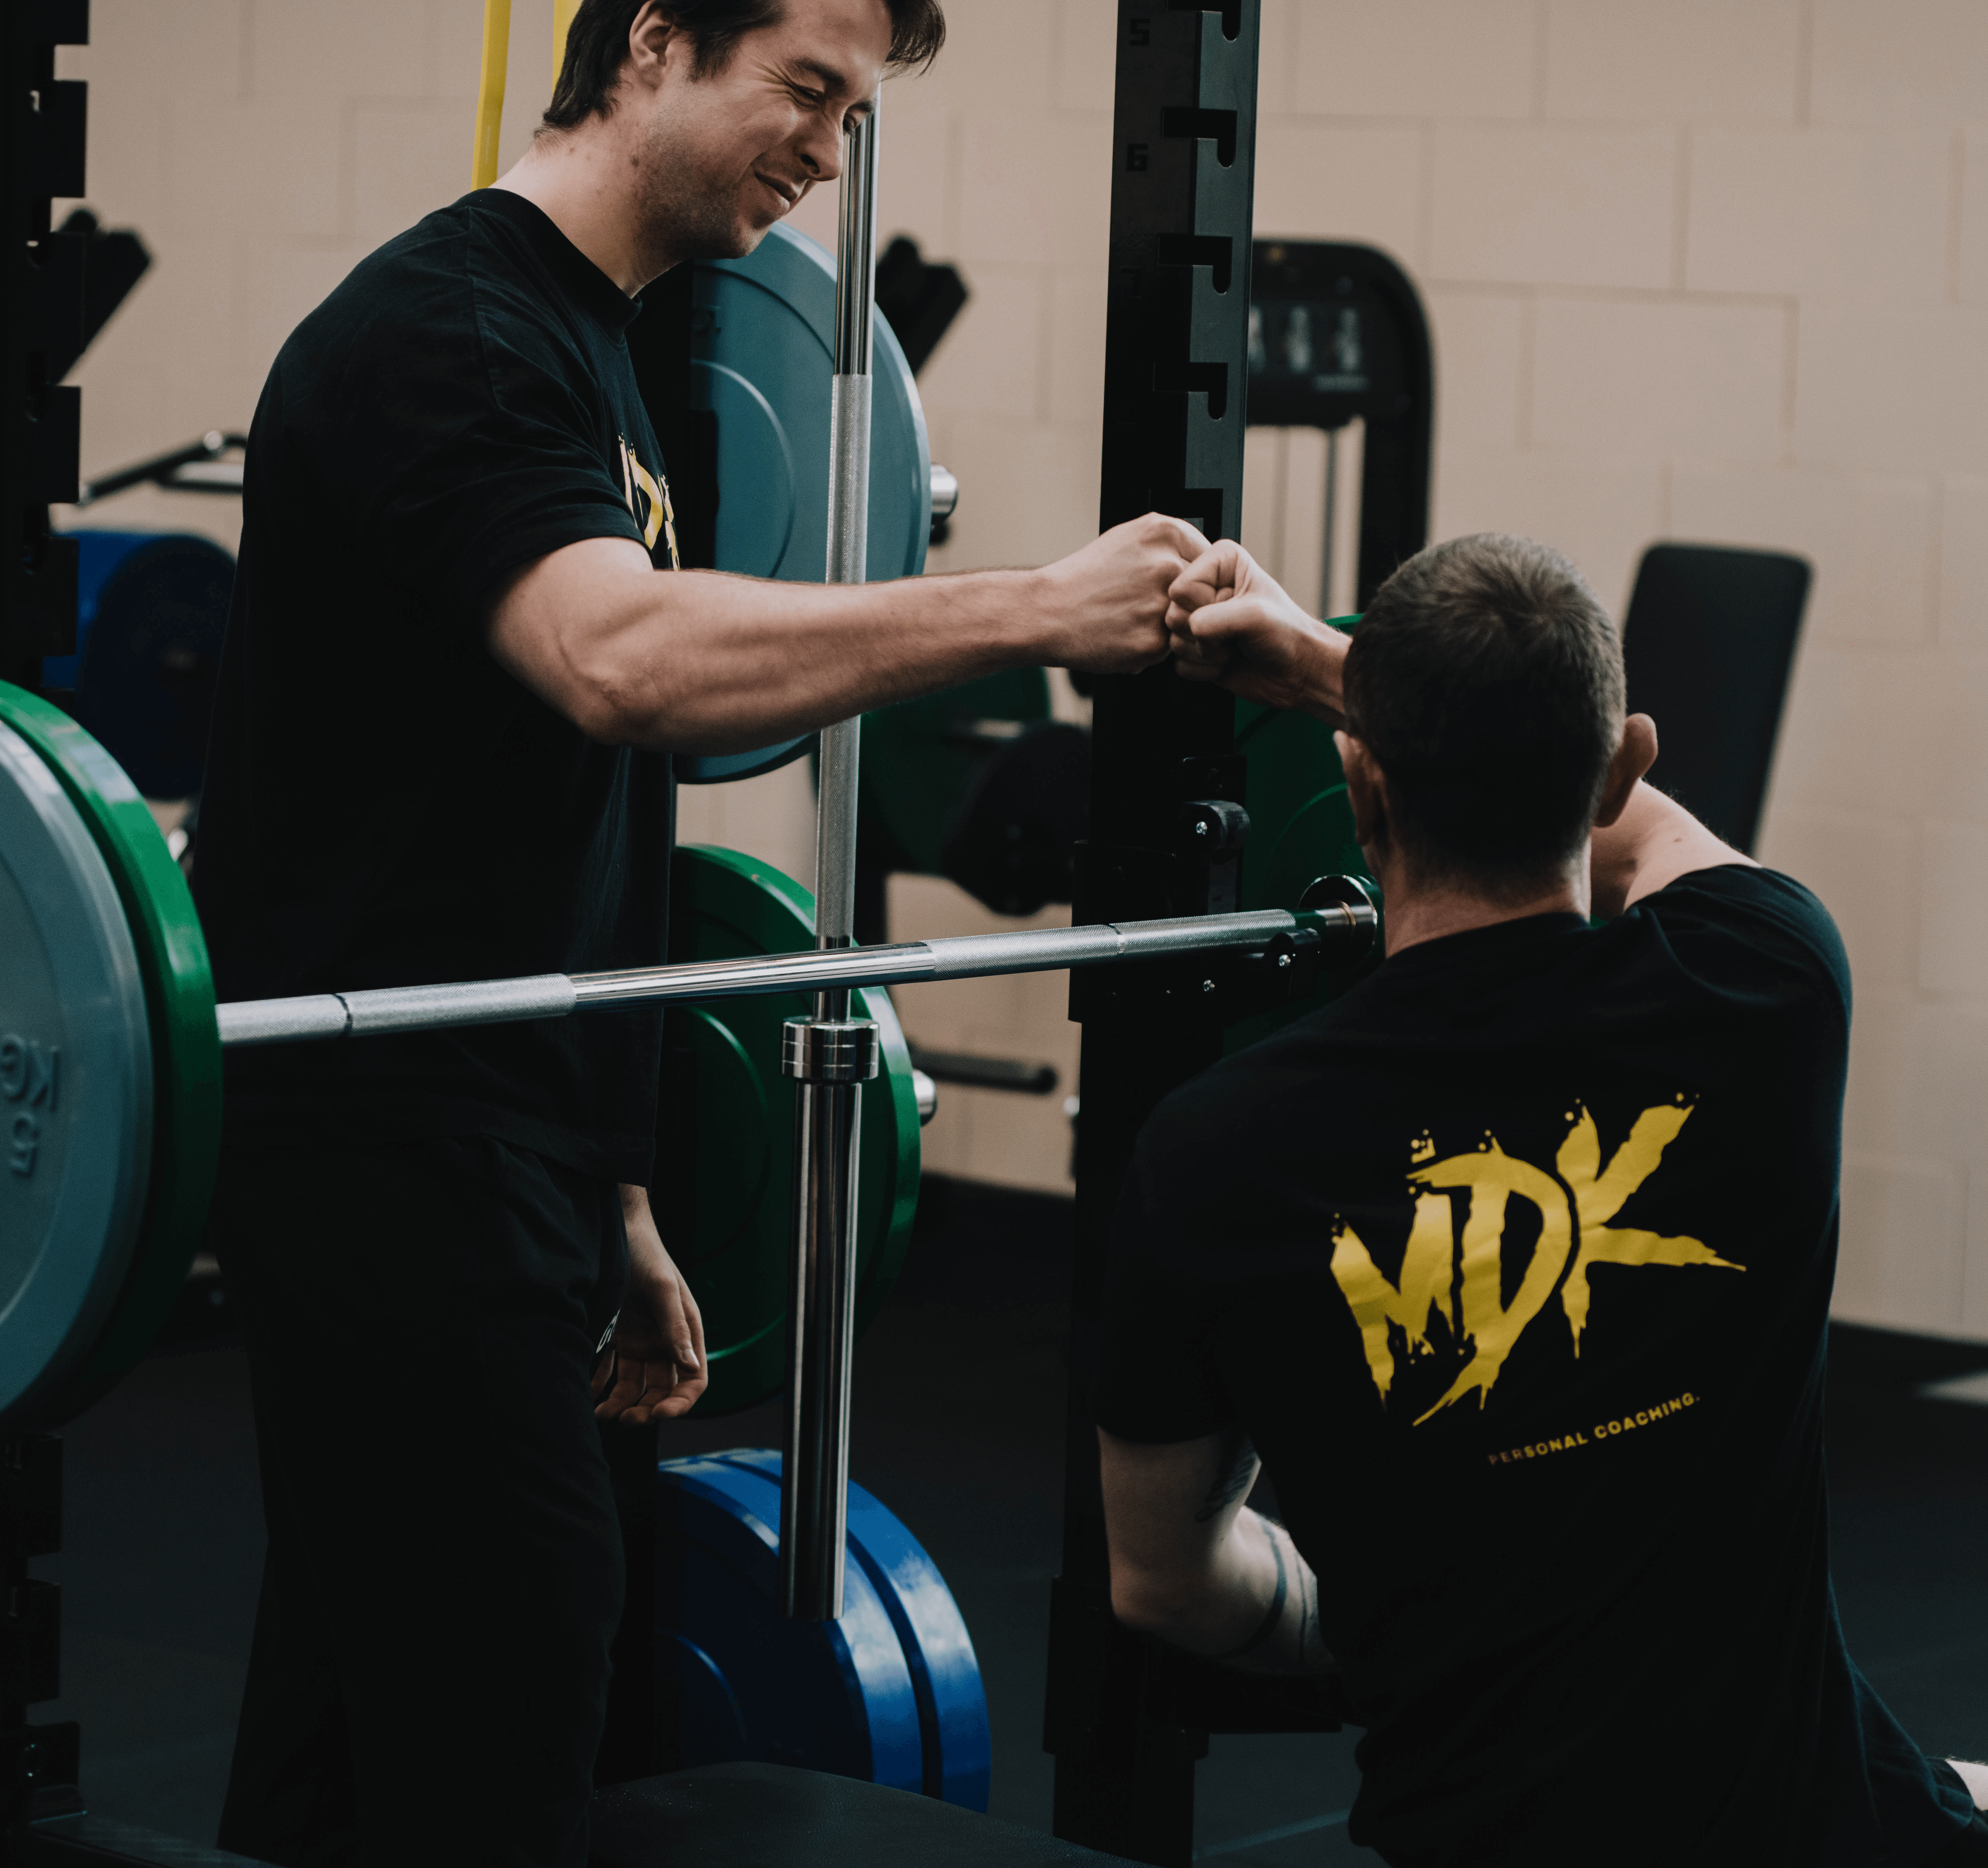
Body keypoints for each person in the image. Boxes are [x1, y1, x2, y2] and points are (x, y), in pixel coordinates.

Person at [193, 1, 1205, 1862]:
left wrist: (624, 1189)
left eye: (849, 108)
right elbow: (621, 667)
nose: (828, 149)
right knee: (508, 1705)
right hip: (387, 1156)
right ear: (654, 41)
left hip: (504, 1146)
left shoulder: (617, 343)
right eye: (806, 91)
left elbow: (574, 833)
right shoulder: (458, 330)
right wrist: (1033, 609)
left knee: (354, 1714)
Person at [1092, 531, 1988, 1866]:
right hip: (1814, 1828)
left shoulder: (1210, 1152)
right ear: (1622, 757)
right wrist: (1329, 668)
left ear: (1357, 786)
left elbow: (1162, 1580)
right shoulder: (1769, 984)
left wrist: (1399, 1613)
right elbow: (1643, 835)